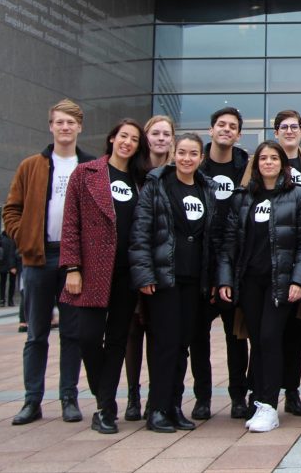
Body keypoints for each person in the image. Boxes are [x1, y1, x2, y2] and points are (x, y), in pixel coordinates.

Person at [4, 99, 95, 426]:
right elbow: (11, 209)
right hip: (39, 257)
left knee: (71, 332)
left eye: (71, 122)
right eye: (60, 122)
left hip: (75, 260)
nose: (65, 127)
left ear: (79, 127)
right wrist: (25, 238)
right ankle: (32, 400)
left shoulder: (90, 166)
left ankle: (69, 397)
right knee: (36, 333)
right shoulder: (31, 166)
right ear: (51, 126)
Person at [218, 141, 301, 433]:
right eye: (263, 158)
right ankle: (260, 400)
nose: (268, 162)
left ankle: (270, 406)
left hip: (281, 282)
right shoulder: (243, 198)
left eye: (274, 158)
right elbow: (229, 243)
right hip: (250, 281)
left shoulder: (298, 196)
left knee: (271, 338)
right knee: (258, 341)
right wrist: (225, 279)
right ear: (256, 164)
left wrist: (299, 280)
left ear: (283, 165)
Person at [60, 119, 151, 434]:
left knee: (116, 340)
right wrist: (72, 267)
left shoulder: (141, 180)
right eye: (123, 136)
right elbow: (71, 223)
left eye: (134, 139)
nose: (127, 142)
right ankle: (104, 396)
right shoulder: (86, 173)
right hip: (93, 271)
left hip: (127, 273)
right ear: (112, 138)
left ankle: (105, 408)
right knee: (87, 337)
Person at [130, 133, 220, 433]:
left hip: (194, 280)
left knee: (182, 345)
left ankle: (174, 407)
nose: (186, 158)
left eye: (193, 154)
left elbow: (211, 237)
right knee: (164, 344)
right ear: (173, 154)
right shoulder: (157, 185)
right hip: (164, 279)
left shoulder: (206, 188)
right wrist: (144, 275)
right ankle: (157, 408)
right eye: (182, 152)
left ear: (201, 158)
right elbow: (141, 232)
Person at [241, 110, 301, 418]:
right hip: (262, 267)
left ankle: (290, 391)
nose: (289, 131)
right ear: (276, 133)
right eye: (283, 127)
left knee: (294, 334)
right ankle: (260, 393)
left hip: (296, 264)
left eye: (294, 127)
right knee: (264, 336)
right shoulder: (254, 173)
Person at [189, 107, 251, 421]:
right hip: (200, 261)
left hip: (234, 262)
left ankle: (239, 396)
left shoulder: (246, 167)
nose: (226, 129)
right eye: (221, 125)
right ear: (211, 130)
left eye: (232, 126)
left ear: (238, 134)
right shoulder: (196, 165)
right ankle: (202, 397)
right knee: (197, 336)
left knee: (236, 336)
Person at [124, 114, 175, 421]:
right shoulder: (133, 171)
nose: (160, 139)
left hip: (164, 265)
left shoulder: (174, 173)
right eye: (155, 133)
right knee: (133, 332)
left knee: (160, 333)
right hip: (135, 260)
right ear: (146, 137)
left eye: (166, 134)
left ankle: (158, 397)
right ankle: (132, 394)